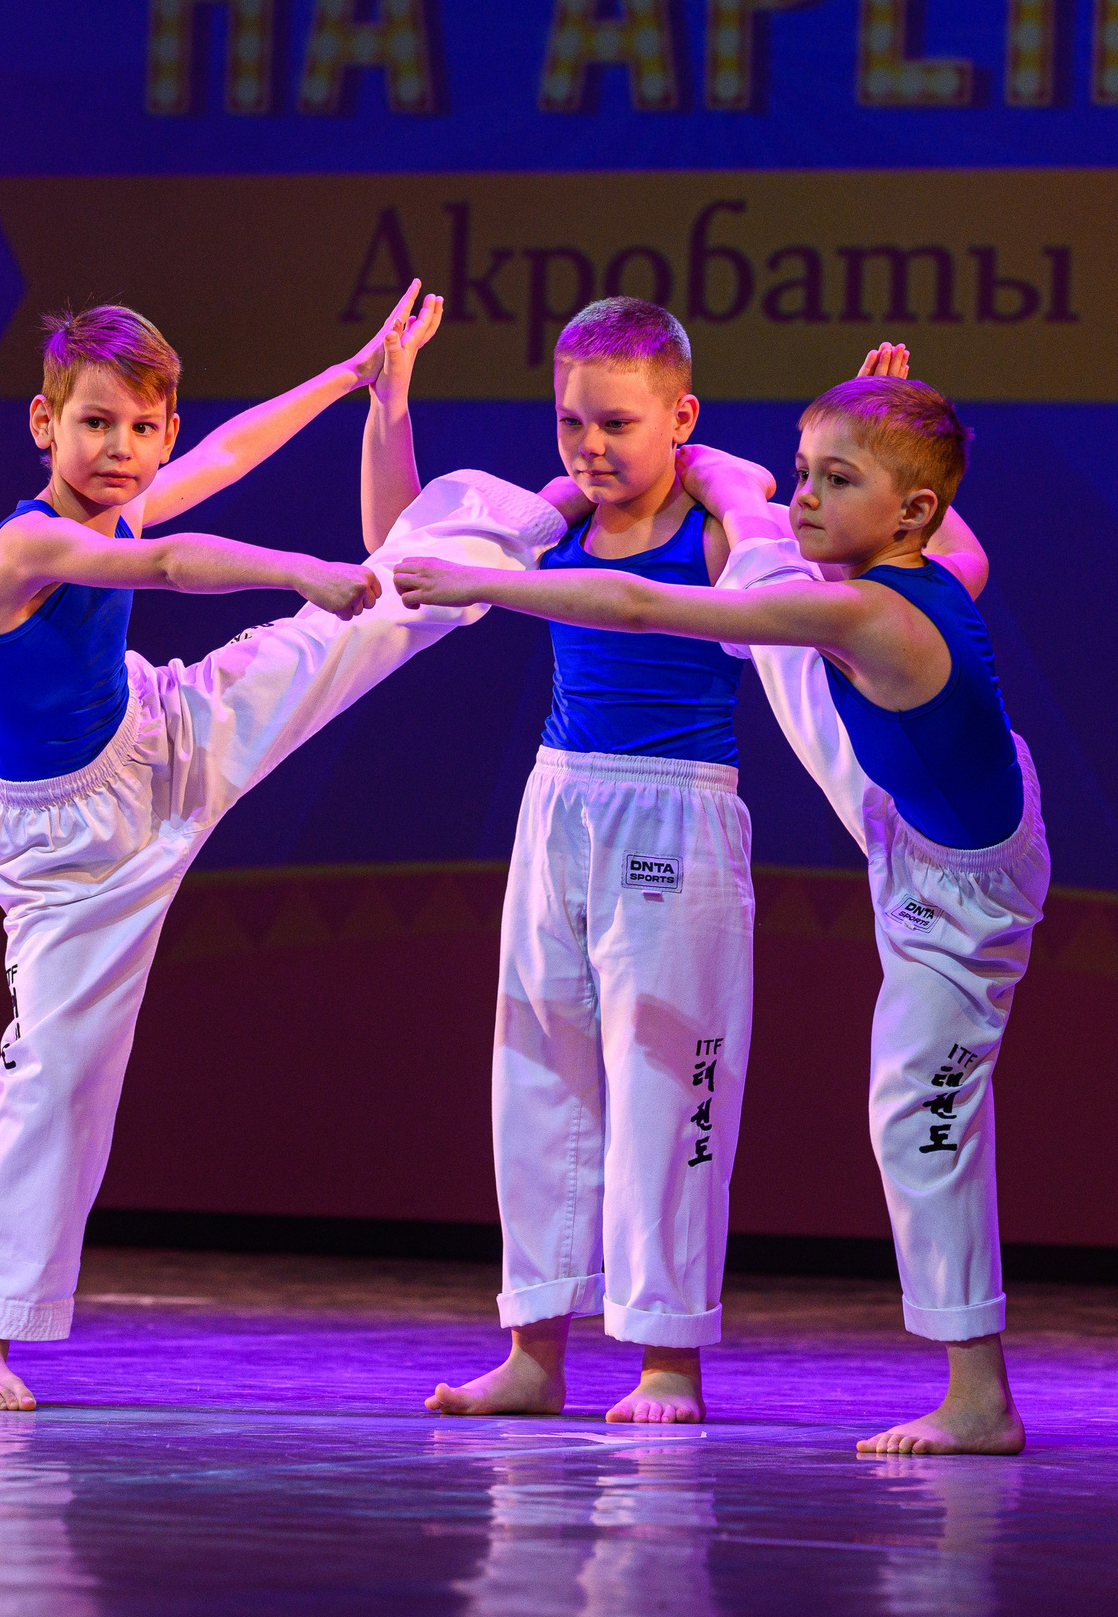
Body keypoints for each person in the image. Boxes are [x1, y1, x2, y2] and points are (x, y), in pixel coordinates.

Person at [394, 356, 1045, 1456]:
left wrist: (487, 584)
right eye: (796, 473)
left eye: (836, 479)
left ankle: (978, 1393)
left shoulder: (865, 615)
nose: (803, 497)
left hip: (958, 894)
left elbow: (646, 602)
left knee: (917, 1118)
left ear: (907, 512)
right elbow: (961, 540)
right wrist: (895, 431)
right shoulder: (936, 560)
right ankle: (537, 1346)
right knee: (789, 628)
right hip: (927, 818)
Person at [0, 284, 571, 1410]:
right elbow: (169, 566)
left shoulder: (122, 501)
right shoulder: (29, 543)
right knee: (55, 1071)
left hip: (157, 736)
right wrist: (297, 569)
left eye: (144, 429)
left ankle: (540, 508)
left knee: (369, 618)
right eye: (96, 423)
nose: (122, 449)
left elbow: (231, 453)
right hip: (72, 851)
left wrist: (357, 375)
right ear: (45, 426)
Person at [405, 296, 757, 1427]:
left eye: (616, 423)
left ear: (681, 420)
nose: (590, 447)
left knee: (665, 1080)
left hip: (675, 814)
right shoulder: (555, 522)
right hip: (559, 798)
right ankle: (535, 1348)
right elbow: (402, 554)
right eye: (569, 425)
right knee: (538, 1064)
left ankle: (665, 1356)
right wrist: (389, 405)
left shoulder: (711, 528)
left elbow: (682, 588)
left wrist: (754, 473)